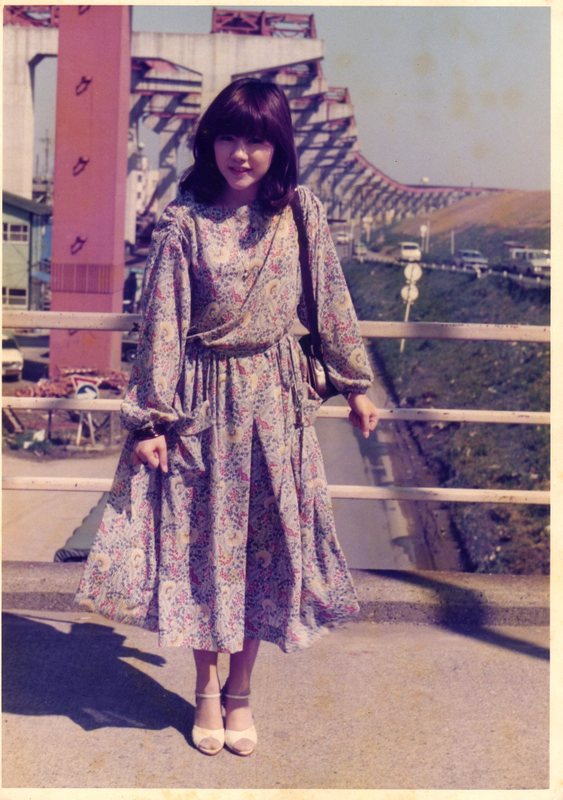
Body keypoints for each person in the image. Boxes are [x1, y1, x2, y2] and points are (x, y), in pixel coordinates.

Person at [76, 78, 379, 758]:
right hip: (201, 406)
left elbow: (331, 301)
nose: (242, 154)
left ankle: (241, 692)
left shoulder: (300, 212)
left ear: (279, 148)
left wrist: (355, 385)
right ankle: (205, 689)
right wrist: (150, 421)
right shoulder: (183, 221)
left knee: (262, 554)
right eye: (229, 138)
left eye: (258, 141)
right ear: (208, 142)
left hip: (275, 405)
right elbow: (162, 324)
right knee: (204, 549)